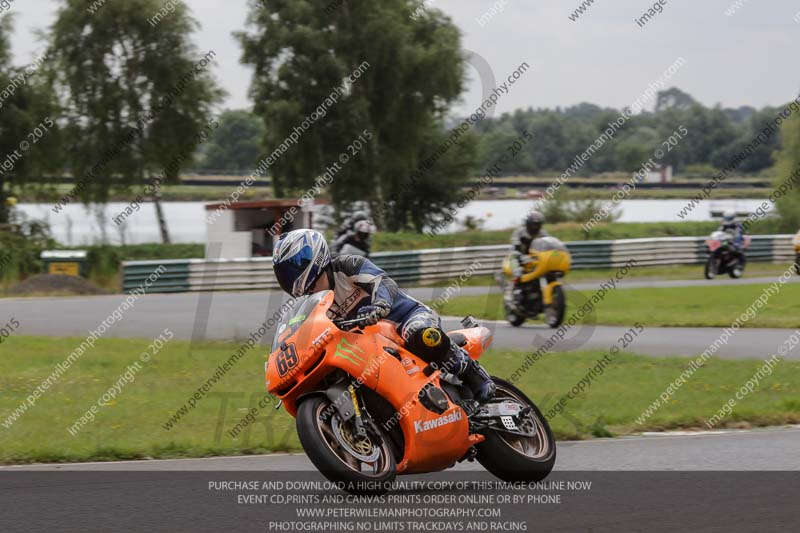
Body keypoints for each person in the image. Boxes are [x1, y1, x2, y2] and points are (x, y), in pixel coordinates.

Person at [272, 229, 495, 402]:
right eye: (284, 273)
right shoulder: (309, 305)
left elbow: (383, 282)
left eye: (293, 267)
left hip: (405, 318)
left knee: (420, 334)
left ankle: (475, 376)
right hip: (371, 343)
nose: (290, 277)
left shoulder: (347, 266)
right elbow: (300, 333)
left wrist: (380, 304)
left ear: (313, 256)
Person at [509, 211, 548, 285]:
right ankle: (516, 277)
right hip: (521, 253)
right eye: (533, 224)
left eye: (537, 224)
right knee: (514, 255)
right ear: (528, 223)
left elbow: (549, 241)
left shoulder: (543, 233)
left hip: (537, 255)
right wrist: (518, 246)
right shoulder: (519, 231)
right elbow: (515, 242)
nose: (535, 226)